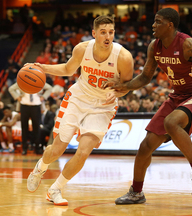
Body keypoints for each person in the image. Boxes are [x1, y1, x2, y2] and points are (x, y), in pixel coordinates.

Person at [103, 8, 192, 204]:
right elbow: (146, 77)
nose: (153, 25)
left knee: (171, 122)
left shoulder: (187, 44)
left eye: (158, 22)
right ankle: (136, 192)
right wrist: (123, 86)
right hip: (178, 96)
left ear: (170, 25)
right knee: (144, 147)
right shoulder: (154, 46)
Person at [26, 15, 133, 205]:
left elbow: (128, 85)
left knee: (83, 152)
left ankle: (55, 189)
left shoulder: (123, 57)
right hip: (78, 99)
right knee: (57, 149)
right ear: (94, 34)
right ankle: (40, 167)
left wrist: (117, 94)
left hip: (103, 107)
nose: (108, 36)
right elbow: (68, 69)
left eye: (111, 32)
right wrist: (42, 68)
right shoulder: (83, 49)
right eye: (103, 32)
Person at [9, 82, 52, 155]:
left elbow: (49, 88)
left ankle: (37, 148)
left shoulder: (39, 80)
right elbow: (11, 88)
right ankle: (24, 148)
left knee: (37, 128)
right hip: (24, 105)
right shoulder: (23, 80)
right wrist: (17, 97)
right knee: (24, 127)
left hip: (36, 105)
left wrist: (43, 97)